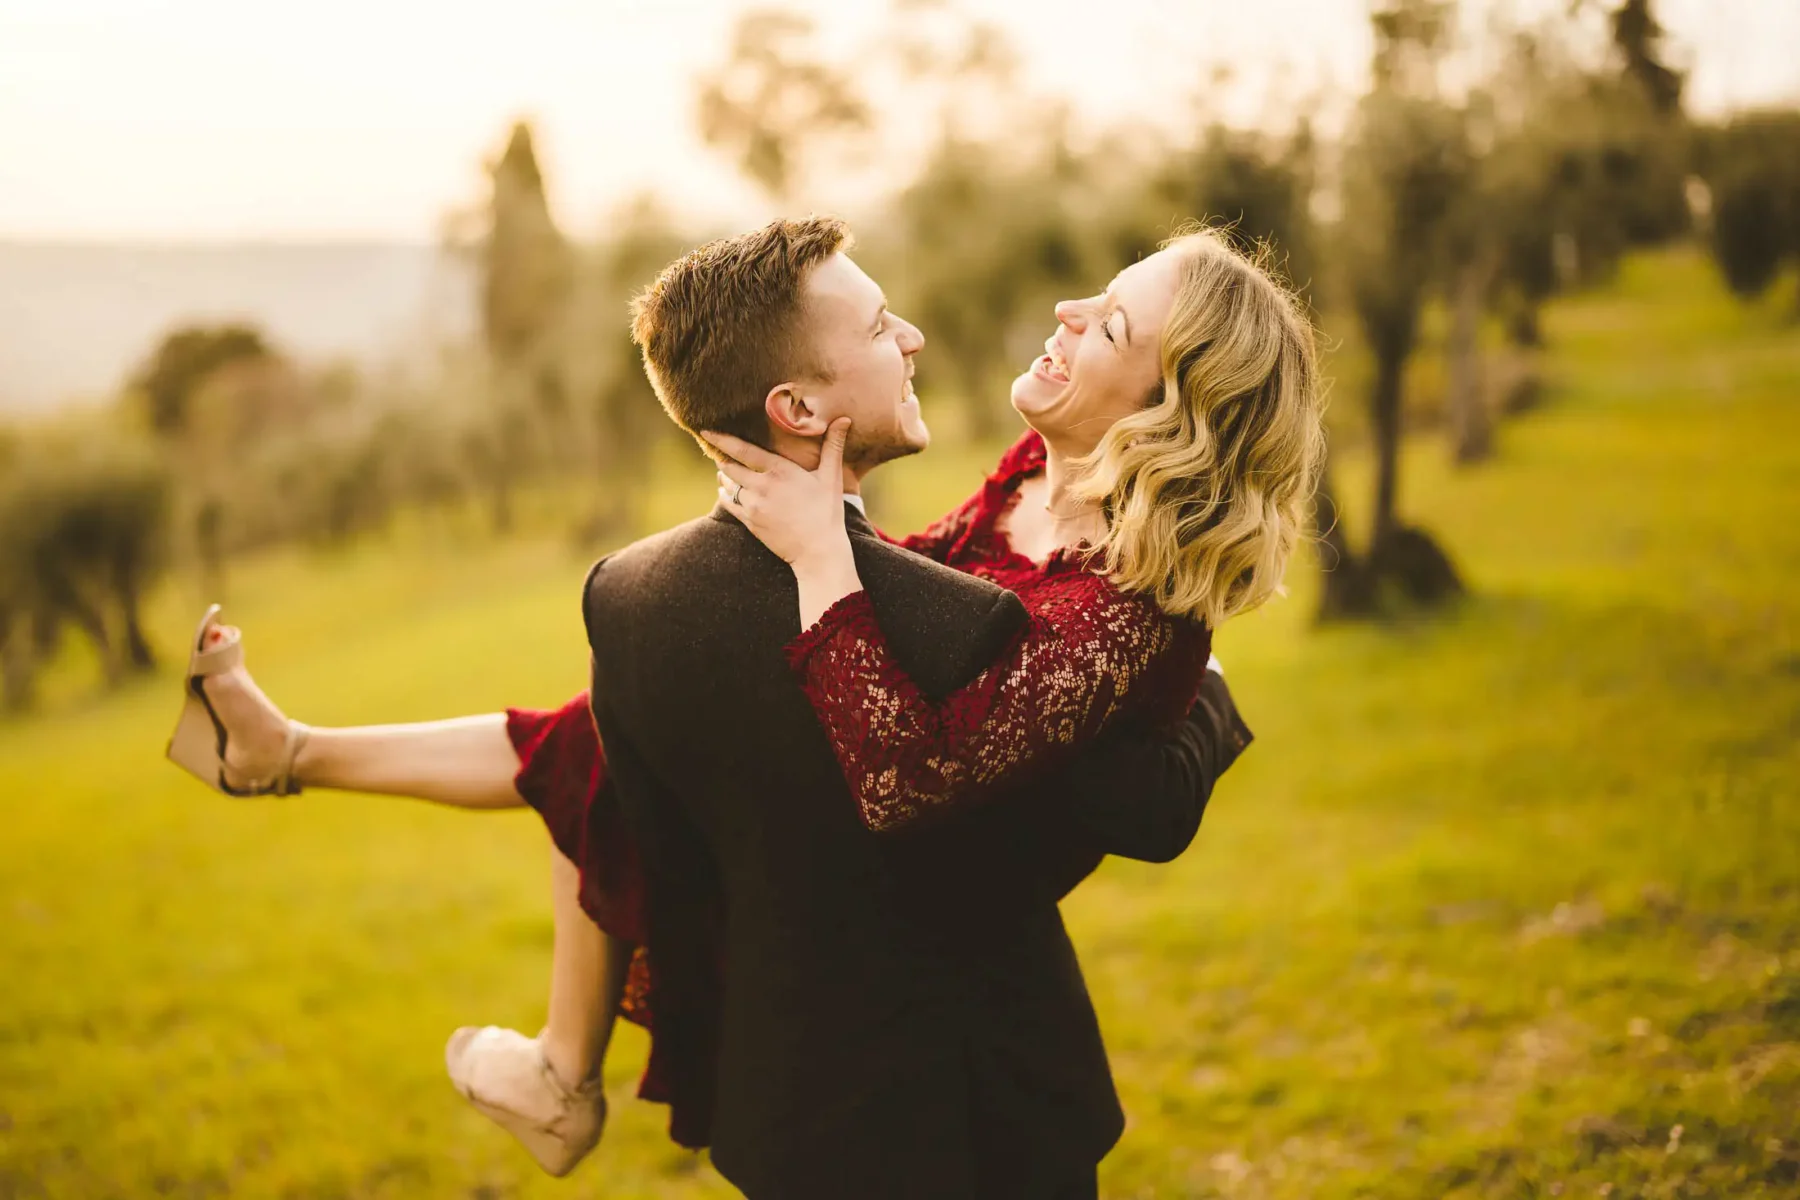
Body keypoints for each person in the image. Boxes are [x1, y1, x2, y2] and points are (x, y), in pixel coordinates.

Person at [168, 217, 1319, 1198]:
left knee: (625, 718)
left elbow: (912, 769)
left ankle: (545, 1048)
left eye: (1109, 325)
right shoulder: (1032, 473)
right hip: (845, 1036)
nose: (1068, 311)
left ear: (1169, 408)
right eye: (1099, 296)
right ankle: (291, 754)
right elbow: (929, 583)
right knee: (609, 724)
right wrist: (818, 542)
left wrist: (824, 558)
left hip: (982, 1058)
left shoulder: (1122, 609)